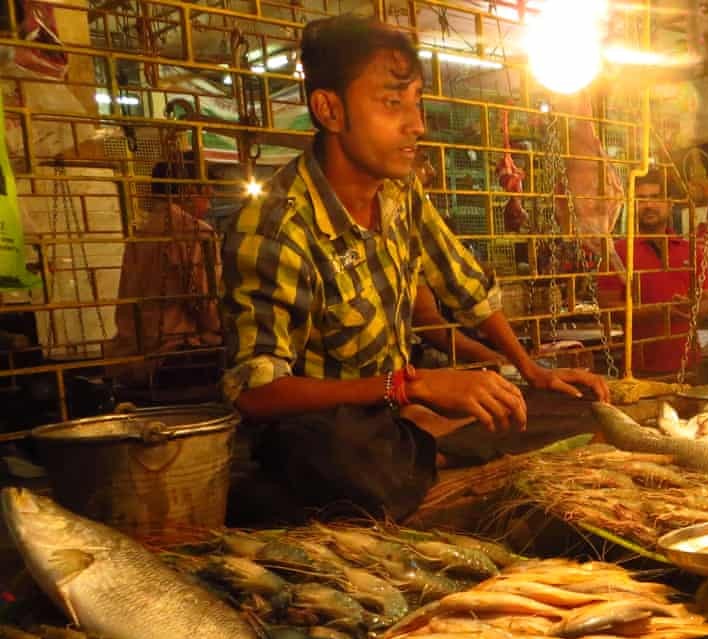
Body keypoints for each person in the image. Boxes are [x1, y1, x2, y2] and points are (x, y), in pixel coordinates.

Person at [220, 15, 607, 519]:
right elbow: (256, 392)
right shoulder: (274, 224)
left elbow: (464, 286)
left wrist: (530, 368)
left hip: (395, 416)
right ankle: (427, 448)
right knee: (332, 455)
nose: (417, 123)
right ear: (329, 109)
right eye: (391, 103)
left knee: (578, 408)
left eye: (417, 102)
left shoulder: (401, 193)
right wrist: (407, 386)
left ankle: (424, 448)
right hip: (333, 431)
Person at [107, 156, 220, 385]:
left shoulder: (141, 233)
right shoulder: (196, 232)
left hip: (130, 357)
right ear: (188, 190)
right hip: (172, 357)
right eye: (206, 193)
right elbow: (207, 307)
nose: (210, 199)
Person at [596, 169, 708, 375]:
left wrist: (690, 308)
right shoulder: (617, 253)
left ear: (669, 203)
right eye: (641, 199)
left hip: (689, 365)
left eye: (655, 198)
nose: (648, 205)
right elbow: (608, 308)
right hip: (639, 370)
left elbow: (707, 301)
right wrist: (659, 311)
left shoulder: (692, 251)